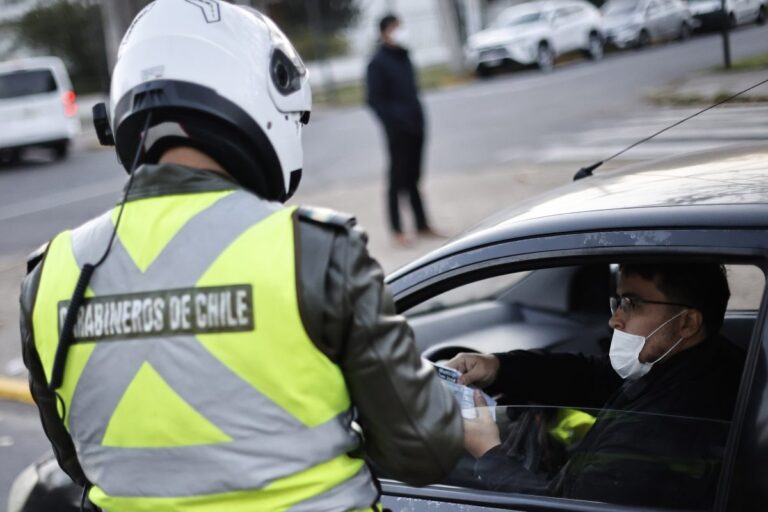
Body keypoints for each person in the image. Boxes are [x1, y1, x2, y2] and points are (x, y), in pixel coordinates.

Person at [18, 2, 462, 511]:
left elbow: (78, 459)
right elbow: (424, 451)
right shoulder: (314, 250)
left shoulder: (50, 276)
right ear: (258, 97)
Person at [447, 262, 745, 508]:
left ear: (687, 324)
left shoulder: (659, 430)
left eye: (631, 304)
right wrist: (500, 367)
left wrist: (487, 451)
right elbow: (592, 376)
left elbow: (562, 506)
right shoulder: (695, 364)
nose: (614, 320)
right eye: (617, 302)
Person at [366, 14, 440, 246]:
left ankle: (422, 224)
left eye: (400, 27)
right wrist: (395, 121)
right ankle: (397, 229)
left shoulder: (404, 56)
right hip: (397, 130)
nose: (399, 32)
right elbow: (374, 100)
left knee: (414, 178)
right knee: (397, 179)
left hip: (416, 125)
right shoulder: (377, 62)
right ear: (383, 33)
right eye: (393, 28)